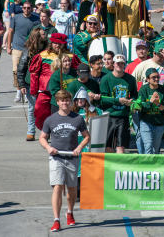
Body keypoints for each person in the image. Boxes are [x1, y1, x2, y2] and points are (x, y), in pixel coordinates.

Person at [39, 90, 90, 232]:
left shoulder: (78, 118)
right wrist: (48, 148)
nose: (65, 103)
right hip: (57, 158)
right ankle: (56, 220)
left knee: (72, 189)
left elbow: (87, 137)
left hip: (72, 157)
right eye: (62, 100)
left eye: (67, 100)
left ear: (70, 101)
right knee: (57, 187)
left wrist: (79, 148)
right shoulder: (50, 119)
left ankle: (70, 212)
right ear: (57, 102)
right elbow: (42, 137)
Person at [95, 55, 137, 153]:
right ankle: (110, 168)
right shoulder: (106, 79)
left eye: (122, 63)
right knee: (108, 146)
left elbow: (135, 94)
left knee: (121, 146)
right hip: (109, 115)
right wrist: (118, 100)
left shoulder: (130, 78)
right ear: (113, 64)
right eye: (117, 63)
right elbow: (103, 99)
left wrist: (131, 101)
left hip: (123, 115)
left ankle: (120, 167)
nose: (120, 65)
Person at [16, 28, 47, 141]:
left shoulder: (47, 50)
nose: (46, 35)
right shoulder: (28, 51)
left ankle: (45, 132)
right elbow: (20, 70)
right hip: (31, 85)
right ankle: (31, 132)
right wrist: (22, 85)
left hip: (45, 85)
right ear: (37, 37)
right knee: (32, 108)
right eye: (44, 34)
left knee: (45, 109)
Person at [8, 1, 40, 102]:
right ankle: (18, 90)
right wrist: (9, 46)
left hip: (30, 48)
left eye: (28, 8)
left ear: (32, 8)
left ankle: (26, 91)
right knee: (16, 69)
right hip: (17, 47)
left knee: (28, 69)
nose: (26, 10)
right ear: (22, 9)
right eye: (25, 8)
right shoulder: (16, 18)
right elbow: (10, 32)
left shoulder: (36, 19)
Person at [137, 69, 164, 154]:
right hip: (146, 122)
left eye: (158, 77)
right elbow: (140, 107)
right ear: (147, 79)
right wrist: (150, 102)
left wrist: (157, 104)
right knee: (148, 146)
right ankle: (148, 166)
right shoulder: (143, 89)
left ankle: (154, 166)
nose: (157, 79)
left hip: (159, 123)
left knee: (156, 149)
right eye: (153, 77)